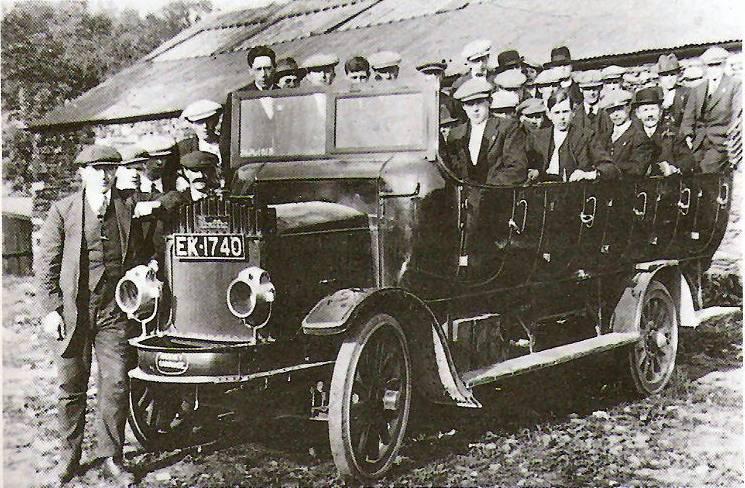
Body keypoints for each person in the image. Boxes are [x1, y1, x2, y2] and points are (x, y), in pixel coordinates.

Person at [36, 145, 158, 486]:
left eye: (109, 169)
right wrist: (50, 309)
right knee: (71, 385)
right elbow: (46, 265)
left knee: (117, 382)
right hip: (74, 311)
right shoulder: (63, 211)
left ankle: (112, 458)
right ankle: (69, 459)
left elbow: (144, 247)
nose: (104, 175)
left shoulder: (127, 205)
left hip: (114, 310)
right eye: (97, 169)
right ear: (83, 173)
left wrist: (148, 266)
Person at [446, 78, 527, 185]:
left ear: (489, 102)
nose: (475, 109)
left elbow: (517, 169)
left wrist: (487, 187)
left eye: (479, 102)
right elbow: (454, 170)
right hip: (465, 197)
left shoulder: (507, 128)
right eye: (469, 104)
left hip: (496, 194)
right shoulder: (456, 134)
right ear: (463, 106)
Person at [526, 88, 618, 183]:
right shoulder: (537, 137)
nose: (562, 117)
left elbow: (611, 169)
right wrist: (534, 171)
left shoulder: (586, 136)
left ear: (573, 113)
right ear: (549, 114)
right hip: (542, 191)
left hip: (574, 191)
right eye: (557, 113)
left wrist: (588, 175)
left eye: (565, 112)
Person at [680, 46, 742, 173]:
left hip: (720, 143)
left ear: (723, 65)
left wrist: (729, 139)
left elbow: (737, 116)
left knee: (708, 170)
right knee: (686, 170)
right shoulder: (698, 89)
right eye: (710, 66)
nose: (713, 69)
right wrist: (688, 136)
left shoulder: (734, 86)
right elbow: (688, 117)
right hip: (698, 142)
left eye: (717, 65)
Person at [219, 46, 278, 162]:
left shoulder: (285, 95)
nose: (263, 75)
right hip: (249, 166)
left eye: (267, 68)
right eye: (258, 69)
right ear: (250, 71)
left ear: (275, 68)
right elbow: (226, 141)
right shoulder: (238, 98)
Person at [632, 87, 695, 176]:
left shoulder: (673, 134)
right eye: (645, 110)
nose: (650, 114)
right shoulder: (632, 135)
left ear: (660, 112)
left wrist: (674, 168)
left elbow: (687, 159)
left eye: (653, 109)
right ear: (638, 114)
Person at [591, 90, 654, 176]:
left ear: (628, 108)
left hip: (628, 186)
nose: (615, 114)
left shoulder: (640, 137)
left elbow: (637, 168)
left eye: (619, 109)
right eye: (611, 110)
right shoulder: (604, 137)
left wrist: (602, 172)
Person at [178, 99, 224, 176]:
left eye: (208, 121)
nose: (205, 126)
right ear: (191, 124)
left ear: (216, 120)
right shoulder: (183, 148)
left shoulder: (229, 142)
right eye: (199, 122)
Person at [573, 69, 611, 137]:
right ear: (581, 89)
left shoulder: (608, 111)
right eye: (587, 89)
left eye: (595, 88)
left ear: (601, 88)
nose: (592, 93)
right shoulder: (574, 112)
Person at [657, 53, 690, 131]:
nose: (669, 78)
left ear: (678, 75)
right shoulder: (654, 93)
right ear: (659, 77)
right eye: (665, 75)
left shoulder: (686, 92)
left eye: (672, 74)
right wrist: (663, 107)